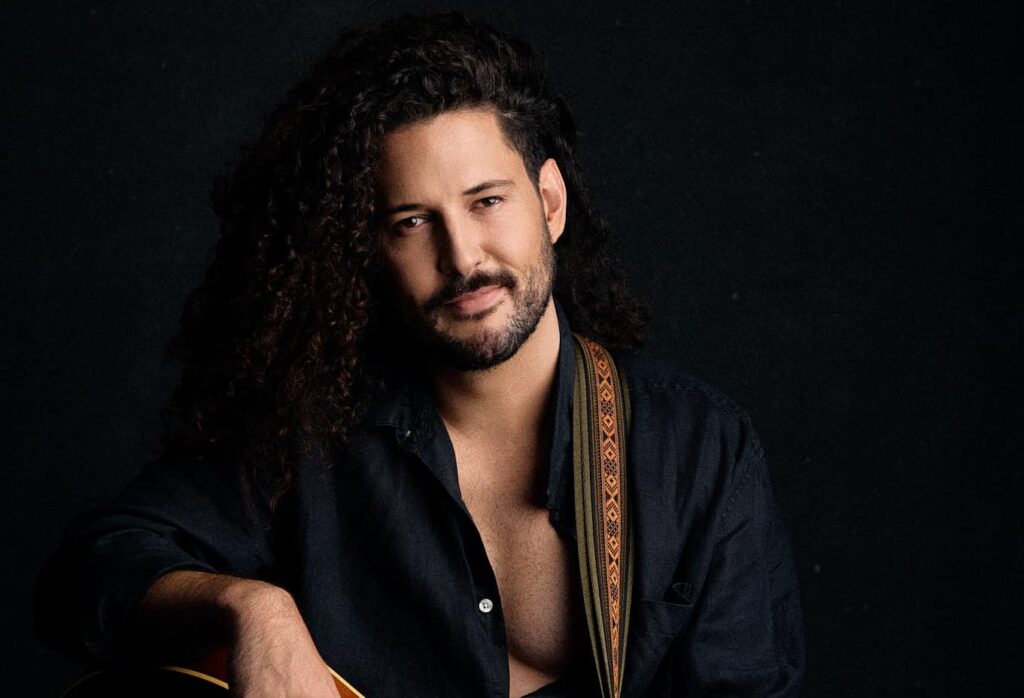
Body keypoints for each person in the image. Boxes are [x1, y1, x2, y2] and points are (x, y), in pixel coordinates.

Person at [36, 12, 804, 698]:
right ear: (368, 249)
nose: (462, 256)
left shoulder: (697, 452)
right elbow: (86, 574)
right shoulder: (311, 435)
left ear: (550, 203)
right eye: (412, 222)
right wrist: (251, 609)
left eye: (486, 201)